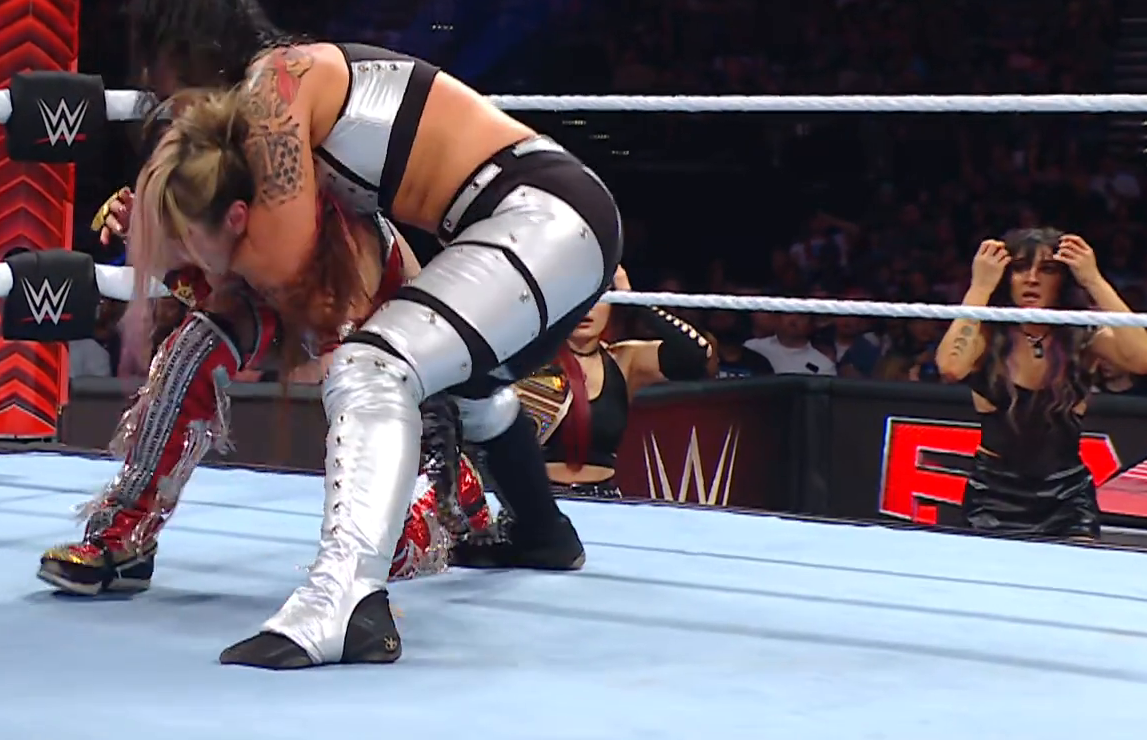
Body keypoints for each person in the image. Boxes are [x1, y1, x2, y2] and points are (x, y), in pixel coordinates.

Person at [128, 40, 622, 669]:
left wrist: (179, 262)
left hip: (541, 216)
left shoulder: (277, 87)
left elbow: (288, 276)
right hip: (547, 223)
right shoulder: (300, 106)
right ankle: (541, 531)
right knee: (465, 384)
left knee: (372, 365)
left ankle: (343, 601)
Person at [39, 96, 491, 594]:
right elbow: (205, 284)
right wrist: (151, 236)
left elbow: (349, 376)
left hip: (388, 331)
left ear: (235, 219)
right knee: (193, 349)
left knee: (392, 548)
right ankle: (125, 536)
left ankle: (455, 490)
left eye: (188, 239)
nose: (185, 252)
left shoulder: (326, 251)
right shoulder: (218, 187)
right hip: (279, 300)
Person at [934, 230, 1147, 539]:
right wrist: (980, 287)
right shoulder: (985, 333)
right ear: (1005, 277)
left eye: (1047, 269)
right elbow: (950, 367)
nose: (1032, 279)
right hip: (994, 495)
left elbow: (1144, 360)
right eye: (1019, 268)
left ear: (1063, 280)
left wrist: (1094, 280)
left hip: (1067, 496)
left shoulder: (1081, 334)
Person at [512, 267, 716, 499]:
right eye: (578, 298)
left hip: (603, 500)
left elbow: (698, 355)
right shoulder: (529, 358)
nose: (587, 309)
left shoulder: (625, 361)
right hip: (539, 499)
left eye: (599, 297)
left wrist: (633, 301)